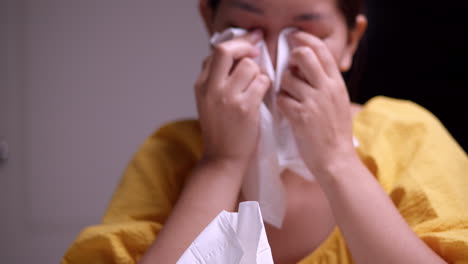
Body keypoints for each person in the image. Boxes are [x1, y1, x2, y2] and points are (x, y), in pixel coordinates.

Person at [62, 0, 468, 263]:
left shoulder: (408, 136)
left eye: (306, 35)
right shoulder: (171, 153)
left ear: (350, 41)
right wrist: (221, 163)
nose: (273, 62)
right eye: (247, 30)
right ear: (211, 23)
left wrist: (337, 161)